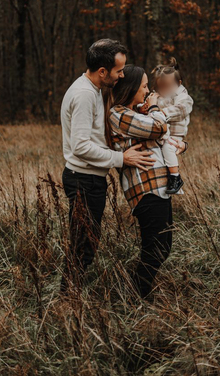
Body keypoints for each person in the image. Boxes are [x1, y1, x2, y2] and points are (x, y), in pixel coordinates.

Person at [60, 39, 155, 293]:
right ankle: (66, 301)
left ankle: (69, 295)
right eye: (118, 70)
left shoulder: (93, 91)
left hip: (90, 179)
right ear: (102, 71)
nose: (122, 75)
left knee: (86, 244)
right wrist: (121, 159)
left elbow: (95, 138)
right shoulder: (83, 96)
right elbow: (80, 147)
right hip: (83, 180)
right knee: (84, 247)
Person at [107, 65, 189, 299]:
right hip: (145, 188)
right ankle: (134, 295)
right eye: (143, 86)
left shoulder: (136, 112)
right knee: (155, 248)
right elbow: (158, 127)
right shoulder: (118, 114)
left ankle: (137, 292)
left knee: (163, 247)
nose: (147, 90)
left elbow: (164, 137)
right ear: (131, 88)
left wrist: (182, 145)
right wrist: (154, 108)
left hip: (159, 186)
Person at [149, 57, 194, 194]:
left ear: (178, 83)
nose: (165, 89)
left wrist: (161, 113)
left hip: (175, 134)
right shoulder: (159, 96)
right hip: (163, 132)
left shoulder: (182, 96)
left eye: (168, 86)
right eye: (162, 86)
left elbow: (181, 110)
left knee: (168, 148)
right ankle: (166, 178)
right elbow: (150, 107)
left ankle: (176, 178)